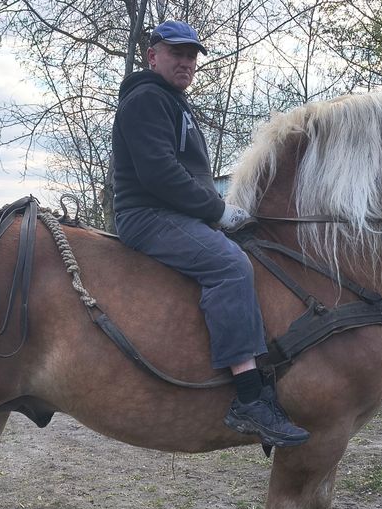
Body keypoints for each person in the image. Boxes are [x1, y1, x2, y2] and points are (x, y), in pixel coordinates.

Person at [111, 20, 309, 448]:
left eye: (192, 55)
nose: (186, 62)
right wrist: (219, 211)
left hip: (176, 213)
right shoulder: (146, 99)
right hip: (147, 214)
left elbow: (189, 175)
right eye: (176, 53)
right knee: (229, 264)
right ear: (153, 55)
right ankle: (250, 398)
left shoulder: (174, 103)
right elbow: (160, 175)